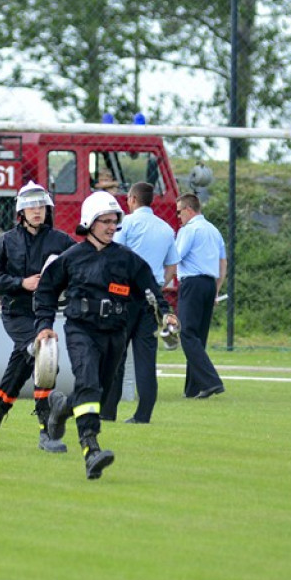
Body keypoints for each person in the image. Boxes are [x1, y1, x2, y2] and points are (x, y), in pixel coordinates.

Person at [36, 191, 176, 480]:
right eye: (105, 222)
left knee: (96, 390)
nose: (112, 227)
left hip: (115, 333)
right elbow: (46, 290)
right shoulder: (70, 258)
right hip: (81, 329)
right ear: (89, 222)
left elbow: (150, 289)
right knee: (88, 382)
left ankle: (62, 408)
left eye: (115, 221)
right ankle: (91, 449)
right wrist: (44, 325)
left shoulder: (128, 260)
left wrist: (166, 312)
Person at [0, 182, 76, 453]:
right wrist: (22, 283)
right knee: (45, 358)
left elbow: (78, 269)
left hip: (44, 314)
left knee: (21, 367)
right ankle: (49, 432)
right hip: (15, 312)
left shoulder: (62, 241)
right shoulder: (6, 241)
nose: (36, 211)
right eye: (31, 206)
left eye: (41, 206)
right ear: (21, 211)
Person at [101, 181, 180, 423]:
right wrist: (158, 285)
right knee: (146, 357)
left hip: (123, 295)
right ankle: (143, 414)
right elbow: (172, 267)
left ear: (133, 199)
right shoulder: (166, 229)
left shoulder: (126, 224)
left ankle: (108, 411)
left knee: (117, 354)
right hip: (150, 297)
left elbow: (114, 254)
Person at [174, 193, 226, 399]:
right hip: (209, 284)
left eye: (179, 212)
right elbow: (223, 264)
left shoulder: (189, 230)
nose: (178, 216)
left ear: (188, 210)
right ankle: (194, 387)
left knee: (186, 333)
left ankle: (211, 381)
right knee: (198, 337)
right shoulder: (214, 231)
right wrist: (217, 289)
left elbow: (176, 256)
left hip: (192, 283)